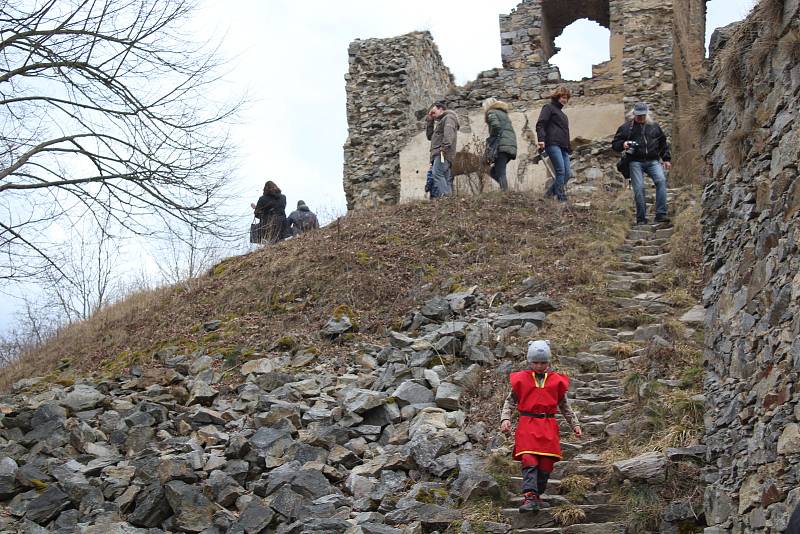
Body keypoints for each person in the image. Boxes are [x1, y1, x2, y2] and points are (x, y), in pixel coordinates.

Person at [500, 340, 582, 513]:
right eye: (535, 362)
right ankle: (529, 496)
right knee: (529, 459)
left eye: (543, 362)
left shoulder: (556, 381)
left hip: (548, 425)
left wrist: (574, 424)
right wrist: (505, 419)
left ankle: (537, 495)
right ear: (530, 361)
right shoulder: (521, 379)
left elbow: (565, 406)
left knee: (546, 463)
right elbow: (510, 402)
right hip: (527, 424)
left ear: (548, 362)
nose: (539, 366)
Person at [611, 102, 672, 225]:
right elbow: (615, 145)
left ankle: (661, 214)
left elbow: (663, 144)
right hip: (635, 161)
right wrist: (623, 144)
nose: (641, 118)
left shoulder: (654, 127)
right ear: (633, 113)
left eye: (643, 115)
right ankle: (641, 219)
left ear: (647, 113)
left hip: (653, 160)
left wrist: (666, 159)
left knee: (661, 180)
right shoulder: (625, 128)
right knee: (639, 188)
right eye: (638, 115)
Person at [535, 86, 573, 202]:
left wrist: (569, 148)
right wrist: (541, 139)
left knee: (567, 174)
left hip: (563, 147)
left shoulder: (564, 115)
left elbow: (565, 133)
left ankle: (547, 196)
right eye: (562, 97)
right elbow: (540, 124)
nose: (564, 100)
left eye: (566, 98)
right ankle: (561, 198)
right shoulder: (548, 108)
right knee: (560, 171)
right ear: (557, 97)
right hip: (552, 144)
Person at [425, 101, 460, 198]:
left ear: (441, 109)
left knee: (437, 173)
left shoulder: (449, 117)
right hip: (441, 153)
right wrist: (430, 121)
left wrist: (443, 149)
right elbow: (430, 137)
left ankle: (446, 198)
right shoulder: (442, 121)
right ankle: (450, 201)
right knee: (445, 177)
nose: (432, 114)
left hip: (443, 153)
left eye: (433, 111)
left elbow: (449, 134)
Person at [483, 97, 518, 191]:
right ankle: (506, 189)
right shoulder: (504, 114)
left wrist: (492, 139)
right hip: (510, 146)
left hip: (501, 146)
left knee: (500, 172)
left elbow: (495, 126)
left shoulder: (491, 112)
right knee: (494, 171)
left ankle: (506, 194)